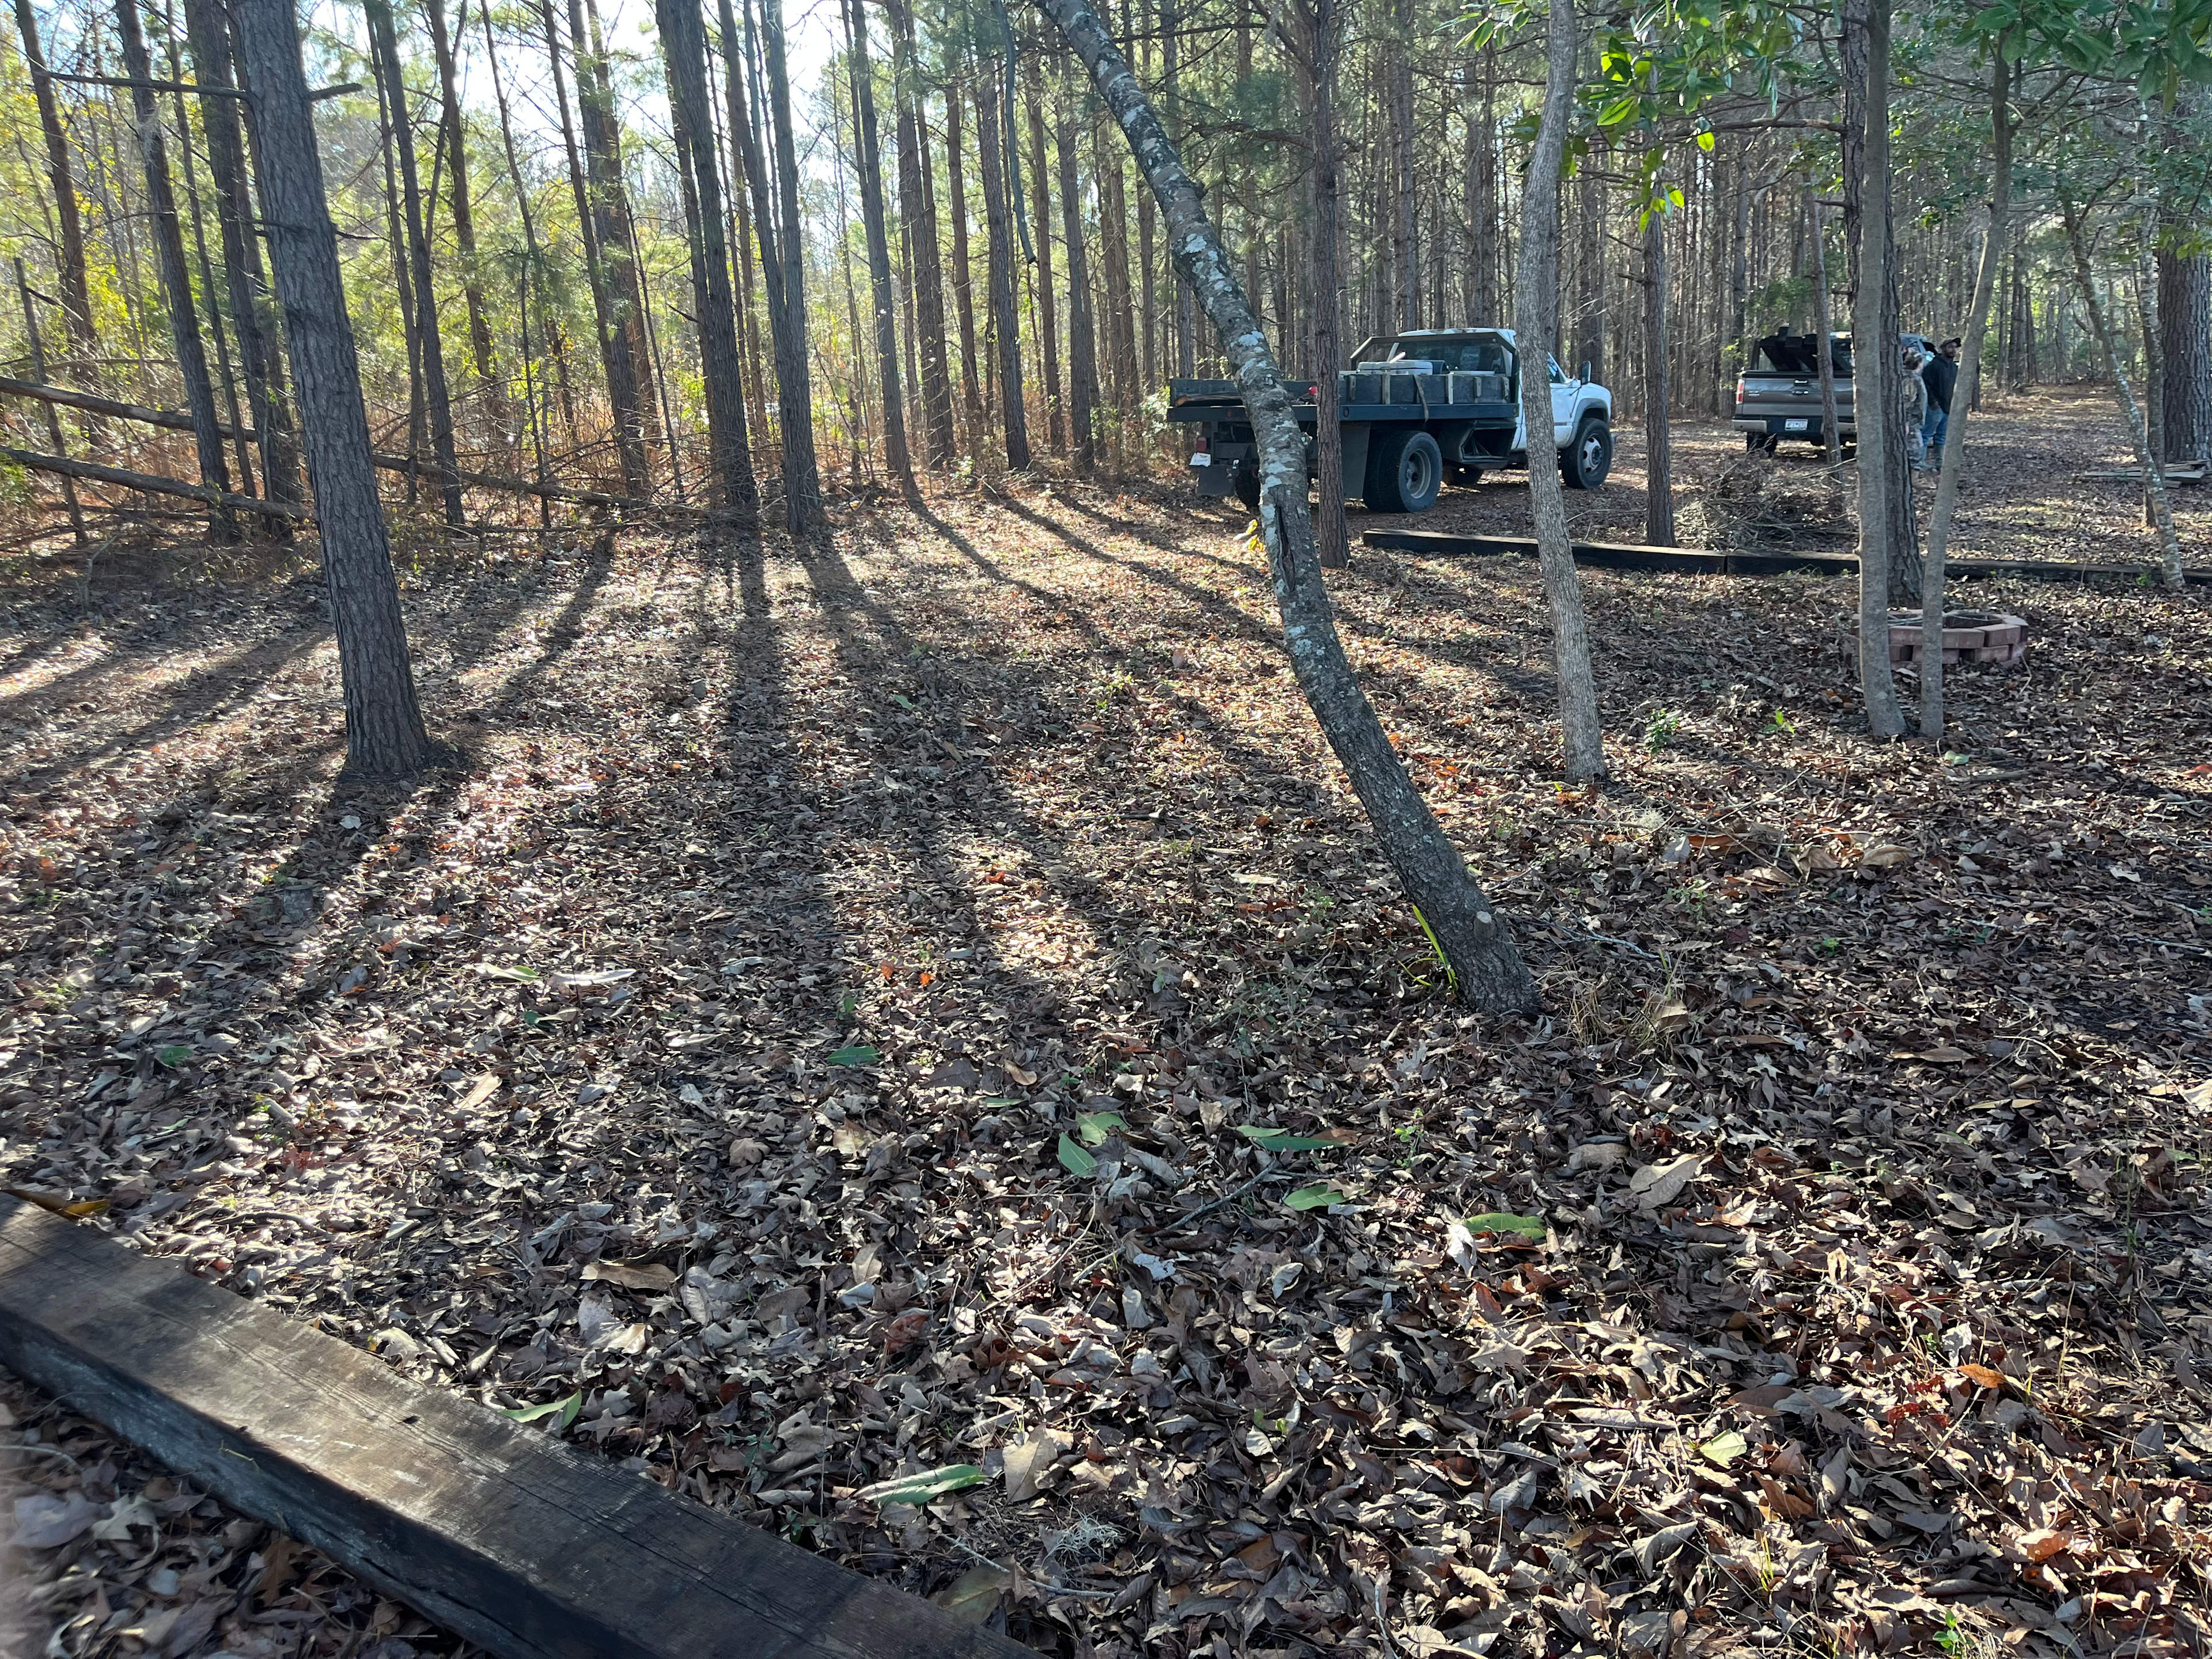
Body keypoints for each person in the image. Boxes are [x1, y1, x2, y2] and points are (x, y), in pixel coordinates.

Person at [1920, 338, 1960, 470]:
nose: (1953, 350)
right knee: (1926, 435)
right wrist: (1933, 402)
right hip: (1935, 407)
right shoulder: (1934, 365)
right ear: (1943, 349)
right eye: (1950, 347)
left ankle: (1940, 463)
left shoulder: (1954, 367)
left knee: (1942, 436)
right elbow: (1926, 385)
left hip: (1948, 407)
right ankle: (1920, 463)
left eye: (1955, 347)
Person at [1903, 346, 1929, 471]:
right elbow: (1909, 401)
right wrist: (1907, 421)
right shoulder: (1913, 379)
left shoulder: (1904, 377)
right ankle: (1914, 478)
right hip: (1911, 422)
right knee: (1915, 450)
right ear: (1919, 363)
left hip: (1910, 421)